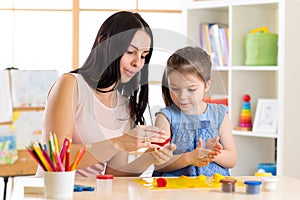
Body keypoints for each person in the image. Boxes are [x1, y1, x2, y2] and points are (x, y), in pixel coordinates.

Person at [38, 11, 176, 177]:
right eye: (130, 52)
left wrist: (150, 157)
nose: (137, 63)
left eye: (143, 56)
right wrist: (118, 143)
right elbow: (56, 157)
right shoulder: (71, 85)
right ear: (103, 43)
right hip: (54, 191)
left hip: (91, 193)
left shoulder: (125, 106)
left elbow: (114, 173)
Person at [152, 46, 237, 177]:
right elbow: (159, 163)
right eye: (175, 88)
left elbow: (232, 159)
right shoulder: (166, 117)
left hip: (211, 188)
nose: (182, 97)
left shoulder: (219, 114)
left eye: (191, 90)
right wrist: (189, 158)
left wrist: (211, 153)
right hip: (174, 189)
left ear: (207, 85)